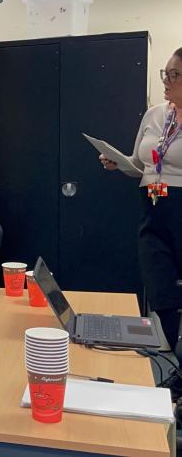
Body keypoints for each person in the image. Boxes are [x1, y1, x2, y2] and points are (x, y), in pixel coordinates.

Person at [100, 47, 182, 354]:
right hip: (152, 209)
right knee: (161, 291)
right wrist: (119, 162)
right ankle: (175, 359)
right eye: (166, 73)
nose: (167, 81)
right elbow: (140, 164)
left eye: (175, 75)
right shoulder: (154, 115)